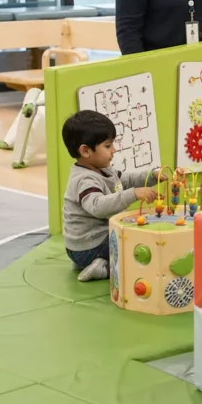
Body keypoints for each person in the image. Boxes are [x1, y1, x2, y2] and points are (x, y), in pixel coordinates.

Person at [61, 110, 162, 282]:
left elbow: (126, 179)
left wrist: (152, 176)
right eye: (108, 146)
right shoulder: (84, 179)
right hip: (90, 246)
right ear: (85, 151)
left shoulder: (103, 170)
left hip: (85, 246)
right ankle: (104, 268)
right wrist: (134, 194)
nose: (114, 150)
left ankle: (91, 262)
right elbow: (98, 206)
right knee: (136, 244)